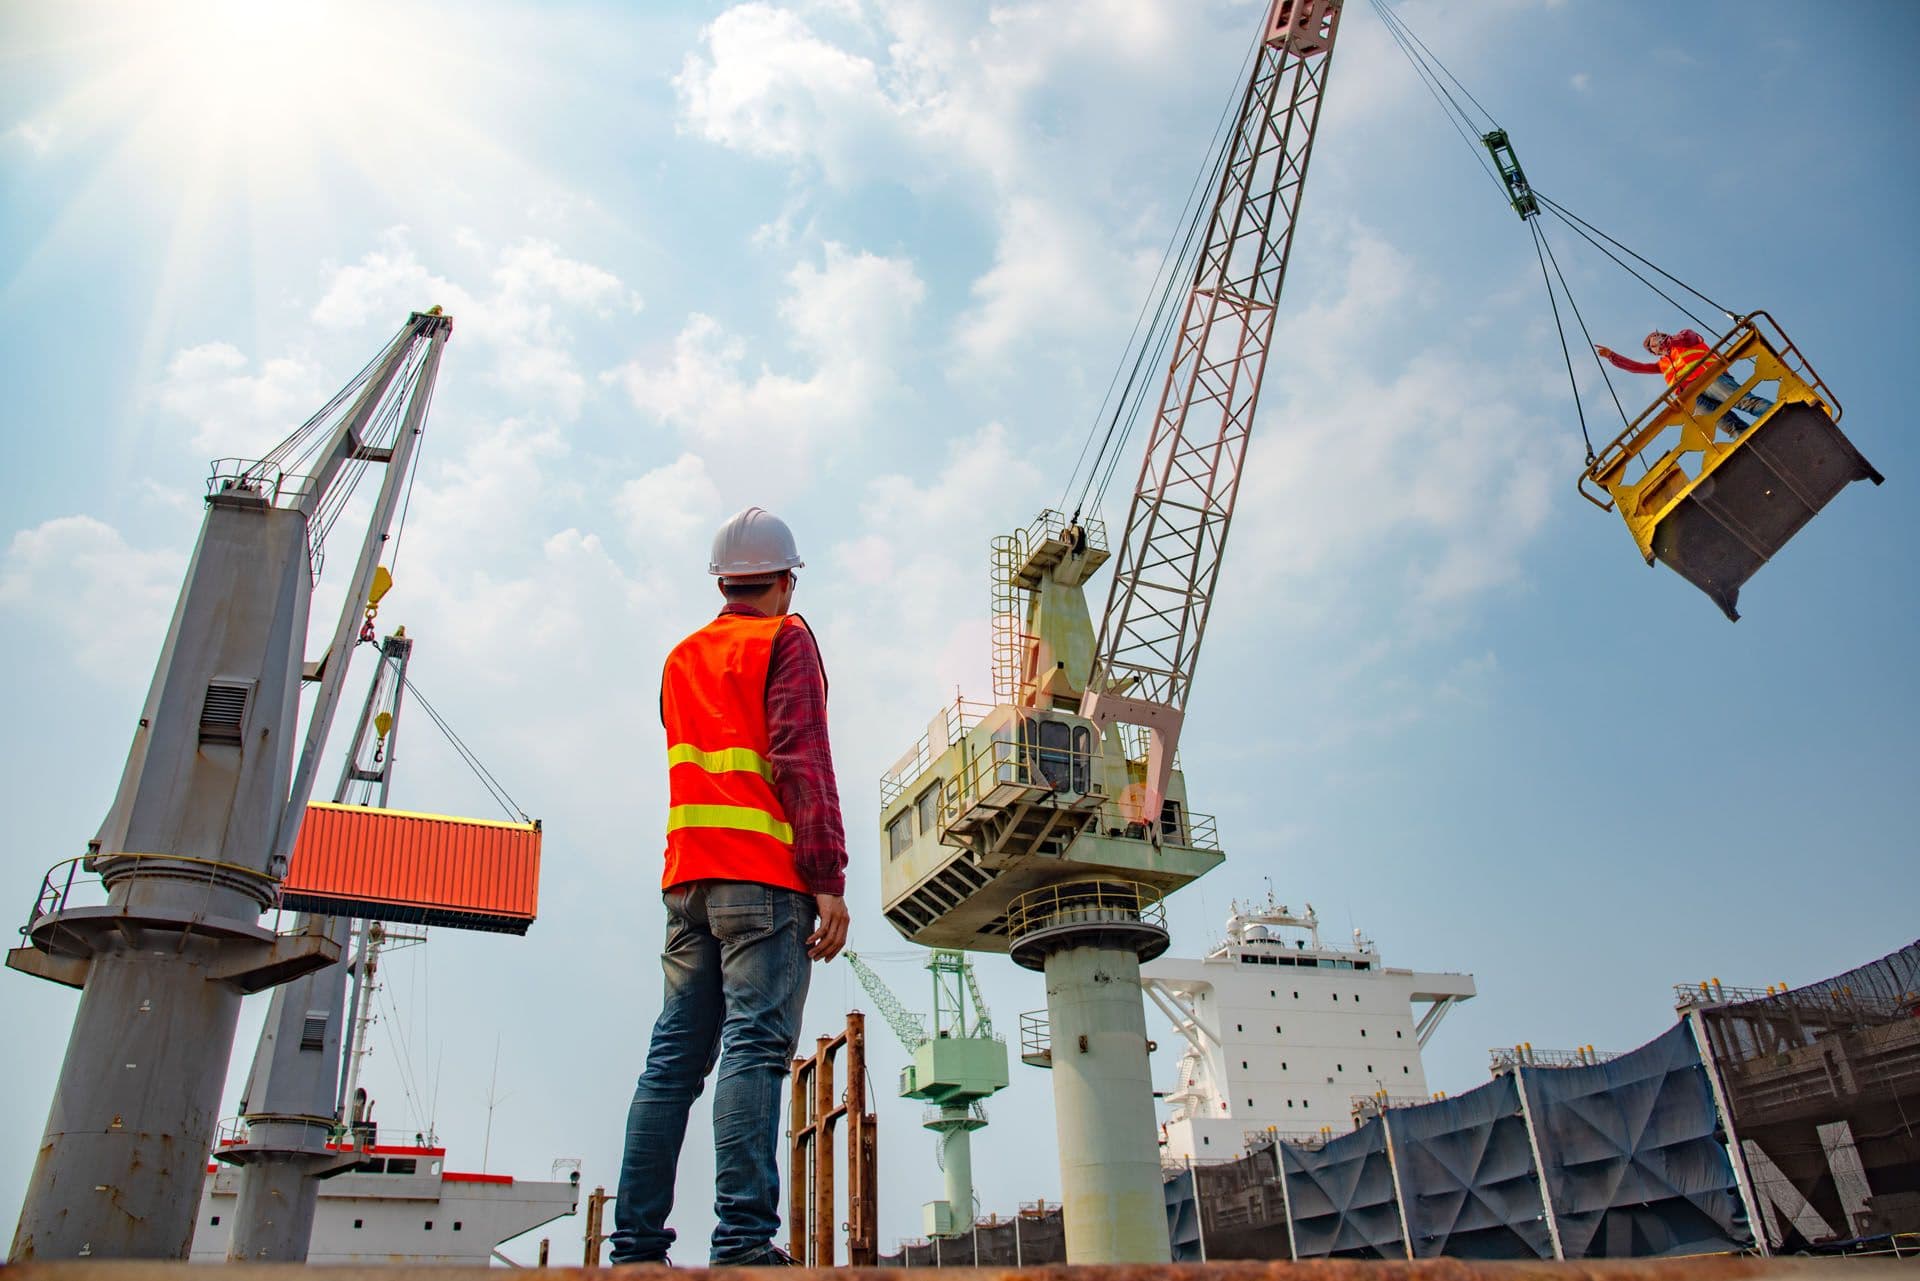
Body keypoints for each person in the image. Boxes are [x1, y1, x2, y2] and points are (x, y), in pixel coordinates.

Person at [610, 506, 851, 1267]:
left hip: (687, 881)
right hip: (763, 880)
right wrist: (828, 879)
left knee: (673, 1060)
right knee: (754, 1047)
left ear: (723, 581)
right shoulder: (788, 638)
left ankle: (635, 1244)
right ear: (783, 581)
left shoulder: (681, 656)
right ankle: (743, 1240)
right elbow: (799, 759)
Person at [1596, 329, 1772, 436]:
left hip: (1709, 379)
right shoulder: (1663, 364)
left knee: (1744, 401)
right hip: (1692, 397)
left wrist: (1671, 341)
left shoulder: (1684, 339)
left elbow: (1690, 336)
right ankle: (1754, 441)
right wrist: (1612, 356)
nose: (1658, 339)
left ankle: (1777, 413)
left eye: (1658, 336)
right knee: (1727, 425)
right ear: (1654, 352)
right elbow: (1637, 367)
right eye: (1654, 342)